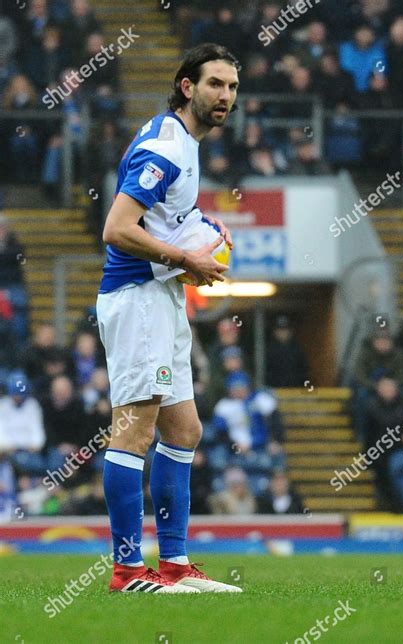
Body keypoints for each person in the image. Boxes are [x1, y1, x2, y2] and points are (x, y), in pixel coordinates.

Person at [96, 44, 242, 594]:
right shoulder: (167, 148)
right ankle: (128, 571)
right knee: (134, 431)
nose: (224, 96)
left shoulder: (181, 142)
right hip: (135, 299)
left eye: (231, 87)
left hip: (161, 299)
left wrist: (202, 231)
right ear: (188, 87)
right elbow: (116, 227)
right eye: (214, 85)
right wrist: (187, 257)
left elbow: (164, 215)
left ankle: (175, 566)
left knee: (185, 429)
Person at [266, 315, 309, 388]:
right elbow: (266, 374)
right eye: (280, 330)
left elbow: (304, 372)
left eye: (285, 330)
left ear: (290, 332)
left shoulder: (297, 349)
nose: (283, 333)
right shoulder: (269, 350)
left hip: (295, 391)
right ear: (275, 332)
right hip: (275, 391)